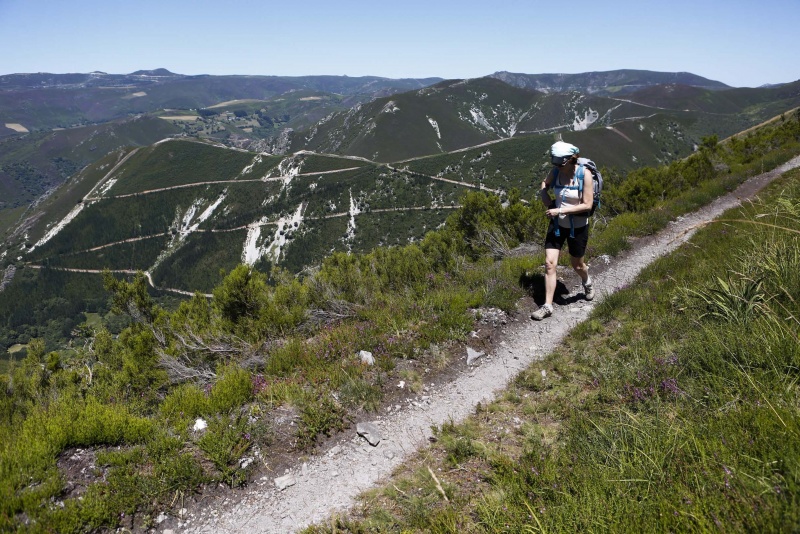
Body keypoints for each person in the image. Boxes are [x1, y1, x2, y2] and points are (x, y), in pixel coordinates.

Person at [531, 141, 595, 320]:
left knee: (577, 265)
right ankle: (547, 306)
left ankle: (587, 281)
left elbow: (587, 205)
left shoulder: (585, 175)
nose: (556, 165)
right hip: (558, 225)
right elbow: (545, 183)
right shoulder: (556, 172)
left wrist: (560, 210)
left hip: (578, 227)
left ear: (569, 160)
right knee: (550, 264)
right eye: (554, 162)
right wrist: (544, 193)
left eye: (559, 162)